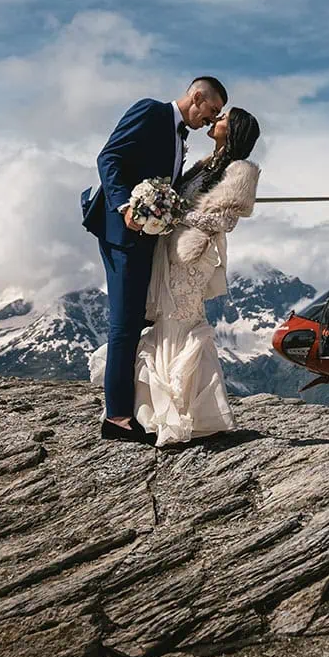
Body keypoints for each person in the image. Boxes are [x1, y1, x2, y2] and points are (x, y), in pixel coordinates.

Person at [81, 77, 226, 443]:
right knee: (124, 324)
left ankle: (128, 410)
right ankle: (116, 418)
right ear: (196, 97)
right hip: (123, 233)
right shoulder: (150, 111)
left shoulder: (181, 138)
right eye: (209, 112)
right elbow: (109, 157)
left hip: (146, 238)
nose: (208, 121)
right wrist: (125, 205)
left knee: (135, 320)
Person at [131, 107, 262, 445]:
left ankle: (182, 412)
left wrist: (177, 214)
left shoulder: (241, 171)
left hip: (195, 255)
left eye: (223, 118)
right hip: (172, 252)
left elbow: (224, 222)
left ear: (232, 130)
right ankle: (168, 412)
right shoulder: (206, 164)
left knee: (183, 321)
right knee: (168, 320)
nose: (215, 120)